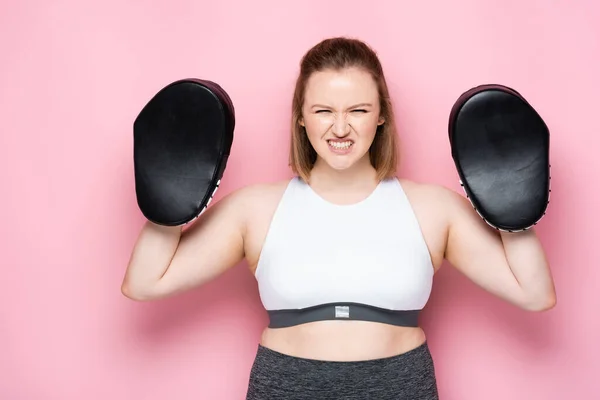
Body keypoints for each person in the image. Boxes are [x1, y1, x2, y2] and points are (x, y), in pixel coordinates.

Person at [121, 37, 557, 399]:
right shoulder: (255, 209)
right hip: (286, 386)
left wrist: (511, 207)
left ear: (382, 115)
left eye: (358, 110)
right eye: (324, 110)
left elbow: (535, 294)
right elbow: (145, 283)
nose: (340, 128)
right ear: (301, 119)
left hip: (399, 386)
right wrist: (171, 201)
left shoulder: (432, 208)